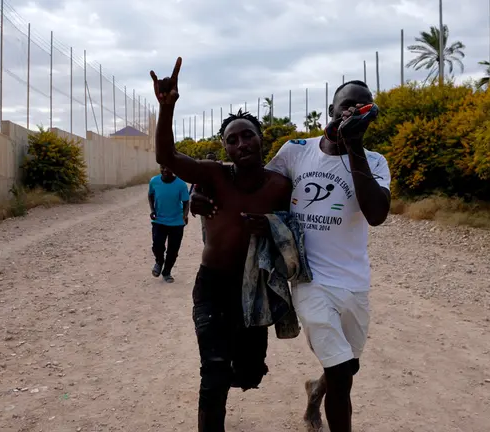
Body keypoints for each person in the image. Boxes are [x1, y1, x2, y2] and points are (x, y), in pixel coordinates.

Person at [190, 80, 391, 432]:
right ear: (331, 111)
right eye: (346, 106)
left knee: (347, 366)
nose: (351, 113)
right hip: (308, 280)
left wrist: (354, 145)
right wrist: (200, 186)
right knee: (342, 373)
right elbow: (249, 174)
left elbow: (376, 215)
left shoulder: (374, 161)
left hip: (354, 282)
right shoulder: (297, 151)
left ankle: (317, 391)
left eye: (361, 108)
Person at [150, 57, 293, 432]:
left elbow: (297, 232)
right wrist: (167, 108)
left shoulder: (280, 186)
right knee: (212, 374)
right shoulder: (213, 175)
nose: (241, 143)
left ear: (261, 138)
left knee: (250, 373)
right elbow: (167, 157)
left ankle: (232, 370)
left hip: (253, 290)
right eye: (232, 139)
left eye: (247, 135)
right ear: (225, 149)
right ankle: (215, 379)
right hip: (212, 287)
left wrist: (273, 226)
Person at [148, 164, 190, 283]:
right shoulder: (154, 181)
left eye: (169, 167)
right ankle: (159, 262)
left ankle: (167, 272)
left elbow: (186, 202)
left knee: (173, 250)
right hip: (159, 220)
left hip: (176, 222)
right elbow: (150, 195)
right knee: (157, 245)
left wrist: (185, 215)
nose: (166, 170)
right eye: (163, 167)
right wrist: (152, 210)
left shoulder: (181, 184)